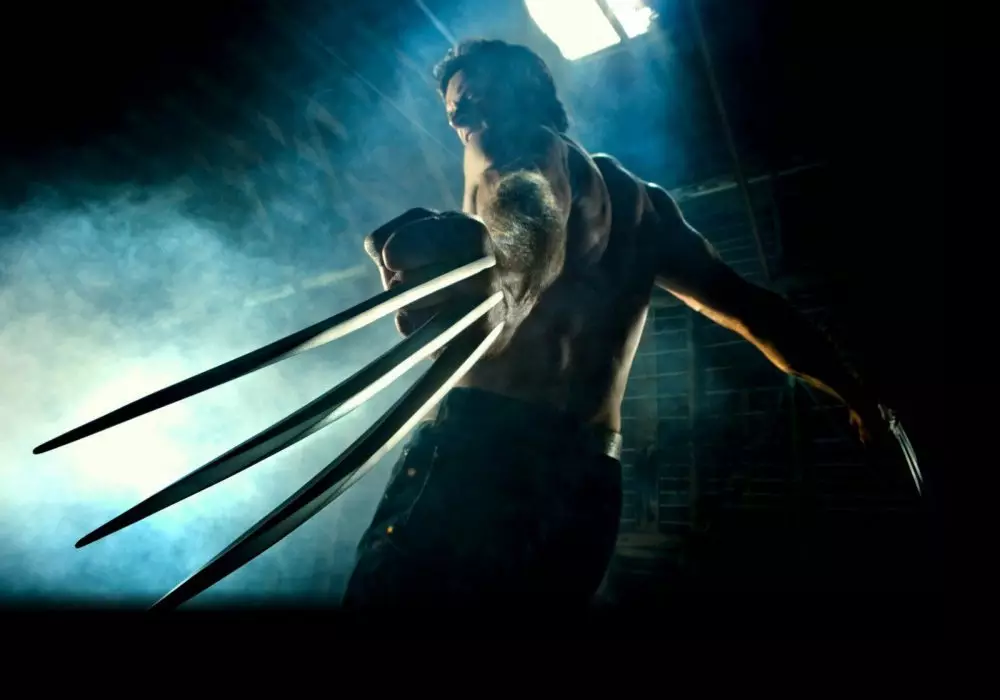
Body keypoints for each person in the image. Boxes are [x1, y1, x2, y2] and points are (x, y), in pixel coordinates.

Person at [340, 39, 886, 613]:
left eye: (479, 97)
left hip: (481, 454)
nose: (467, 120)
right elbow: (755, 311)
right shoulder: (648, 209)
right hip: (586, 478)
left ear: (529, 88)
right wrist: (854, 391)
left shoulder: (508, 149)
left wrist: (495, 283)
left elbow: (529, 209)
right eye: (456, 111)